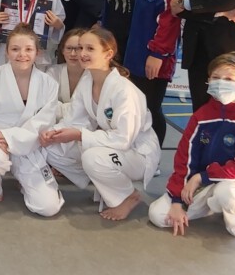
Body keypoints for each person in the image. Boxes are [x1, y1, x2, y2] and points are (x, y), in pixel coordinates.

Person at [41, 27, 161, 221]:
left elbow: (123, 139)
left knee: (93, 157)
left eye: (90, 48)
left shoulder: (125, 91)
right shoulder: (88, 80)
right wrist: (52, 133)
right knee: (48, 146)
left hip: (137, 153)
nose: (82, 53)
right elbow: (74, 119)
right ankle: (102, 181)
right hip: (110, 147)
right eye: (81, 47)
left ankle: (129, 196)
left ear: (108, 54)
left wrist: (79, 135)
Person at [148, 52, 235, 240]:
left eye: (229, 79)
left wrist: (201, 177)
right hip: (205, 183)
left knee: (227, 193)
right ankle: (211, 204)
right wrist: (177, 200)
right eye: (216, 78)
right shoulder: (201, 116)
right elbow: (184, 159)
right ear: (209, 81)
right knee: (158, 215)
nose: (221, 82)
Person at [0, 24, 63, 216]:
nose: (22, 54)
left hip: (28, 147)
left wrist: (10, 137)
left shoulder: (49, 84)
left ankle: (23, 181)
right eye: (15, 49)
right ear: (6, 52)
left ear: (37, 53)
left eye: (28, 49)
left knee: (48, 207)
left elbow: (44, 122)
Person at [102, 0, 181, 147]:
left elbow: (170, 20)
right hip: (117, 52)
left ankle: (151, 156)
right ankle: (124, 150)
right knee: (120, 105)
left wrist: (158, 54)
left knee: (148, 108)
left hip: (148, 54)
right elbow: (110, 11)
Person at [46, 28, 87, 122]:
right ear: (62, 50)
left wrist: (60, 109)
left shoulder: (93, 75)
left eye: (78, 49)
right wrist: (76, 110)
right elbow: (46, 105)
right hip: (53, 124)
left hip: (84, 126)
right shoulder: (53, 72)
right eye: (69, 48)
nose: (73, 54)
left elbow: (90, 110)